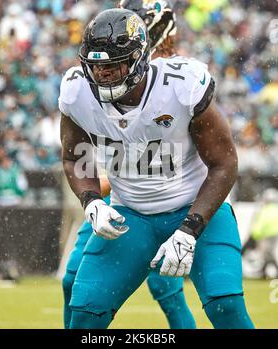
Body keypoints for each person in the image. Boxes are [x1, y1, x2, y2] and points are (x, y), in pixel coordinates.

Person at [59, 8, 254, 329]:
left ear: (137, 59)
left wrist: (191, 229)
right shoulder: (76, 90)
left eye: (111, 65)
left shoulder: (181, 85)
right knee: (85, 313)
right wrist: (91, 200)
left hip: (197, 210)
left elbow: (224, 163)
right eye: (95, 66)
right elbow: (73, 157)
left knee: (226, 305)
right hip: (131, 216)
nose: (102, 75)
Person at [61, 0, 196, 330]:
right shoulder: (107, 72)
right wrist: (95, 195)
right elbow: (84, 149)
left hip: (170, 197)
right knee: (73, 279)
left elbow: (210, 157)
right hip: (121, 197)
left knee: (166, 287)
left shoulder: (180, 78)